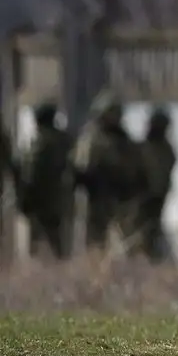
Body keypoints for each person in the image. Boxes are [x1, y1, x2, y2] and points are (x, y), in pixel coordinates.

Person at [73, 90, 146, 254]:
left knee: (130, 242)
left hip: (121, 199)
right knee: (95, 244)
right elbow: (82, 169)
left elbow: (137, 169)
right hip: (98, 198)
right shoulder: (92, 138)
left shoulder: (124, 141)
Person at [16, 98, 72, 259]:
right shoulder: (65, 141)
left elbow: (31, 174)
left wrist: (24, 199)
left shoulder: (41, 144)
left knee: (39, 248)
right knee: (60, 248)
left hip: (42, 203)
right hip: (61, 201)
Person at [136, 105, 177, 262]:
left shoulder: (162, 150)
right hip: (144, 197)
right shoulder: (146, 148)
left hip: (154, 196)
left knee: (150, 229)